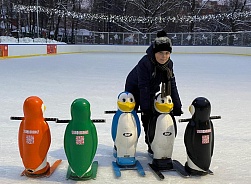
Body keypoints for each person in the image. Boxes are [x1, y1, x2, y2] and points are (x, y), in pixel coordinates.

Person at [124, 30, 182, 153]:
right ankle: (124, 143)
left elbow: (171, 84)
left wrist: (176, 106)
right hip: (134, 88)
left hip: (150, 89)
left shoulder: (168, 65)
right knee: (131, 116)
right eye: (160, 53)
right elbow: (143, 86)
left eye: (167, 53)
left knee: (153, 118)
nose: (164, 56)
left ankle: (151, 143)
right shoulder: (145, 63)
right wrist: (145, 109)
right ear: (154, 52)